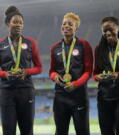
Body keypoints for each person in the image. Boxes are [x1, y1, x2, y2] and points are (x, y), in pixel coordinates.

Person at [0, 6, 43, 135]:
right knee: (8, 131)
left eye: (21, 23)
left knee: (27, 130)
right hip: (7, 92)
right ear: (8, 23)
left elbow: (39, 67)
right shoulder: (1, 44)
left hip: (26, 91)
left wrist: (27, 72)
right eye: (15, 22)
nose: (18, 25)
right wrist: (5, 74)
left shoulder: (31, 43)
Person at [49, 12, 93, 135]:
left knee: (83, 131)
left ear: (76, 28)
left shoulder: (84, 45)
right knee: (60, 132)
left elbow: (88, 71)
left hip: (79, 96)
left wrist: (76, 84)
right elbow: (51, 70)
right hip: (60, 97)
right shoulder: (55, 48)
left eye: (70, 24)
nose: (66, 26)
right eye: (64, 24)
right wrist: (55, 76)